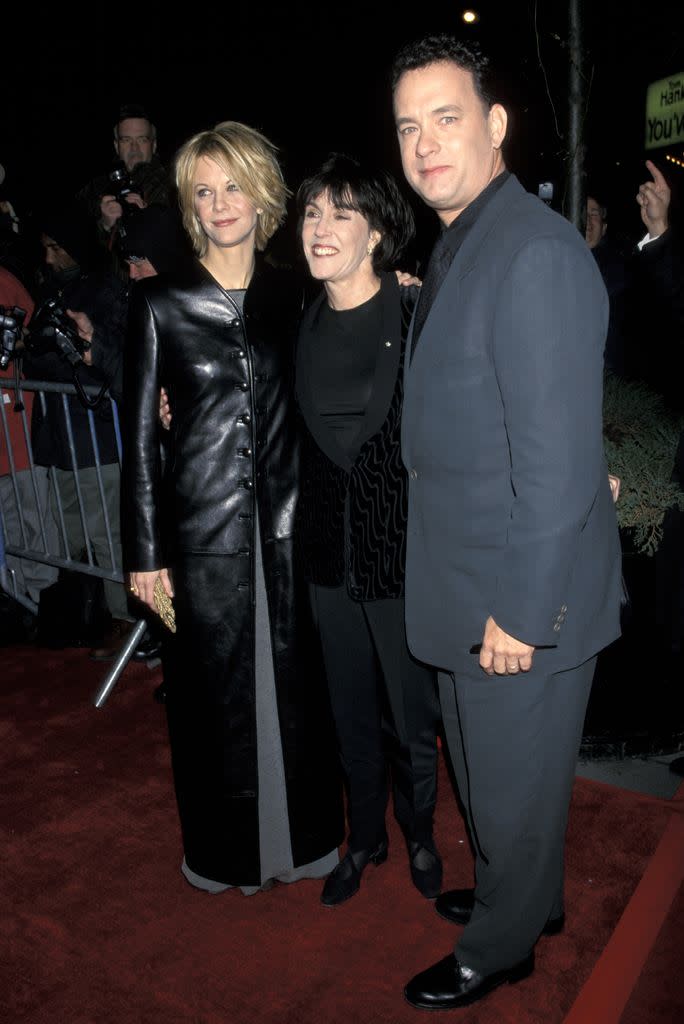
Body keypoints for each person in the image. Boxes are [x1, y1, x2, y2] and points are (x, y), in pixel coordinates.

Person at [391, 35, 623, 1010]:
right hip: (470, 573)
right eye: (408, 126)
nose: (426, 143)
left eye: (448, 117)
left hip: (518, 590)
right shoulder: (467, 238)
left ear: (494, 126)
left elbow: (561, 461)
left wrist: (523, 615)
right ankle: (527, 897)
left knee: (507, 781)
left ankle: (504, 942)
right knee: (500, 775)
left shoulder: (530, 250)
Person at [121, 120, 344, 894]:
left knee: (301, 693)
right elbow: (139, 441)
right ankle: (220, 855)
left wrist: (400, 287)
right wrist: (144, 552)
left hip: (293, 530)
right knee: (210, 704)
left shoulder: (301, 292)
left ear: (262, 194)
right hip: (199, 535)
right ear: (188, 205)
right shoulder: (159, 303)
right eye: (203, 191)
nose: (220, 204)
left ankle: (309, 842)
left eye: (232, 186)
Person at [294, 154, 442, 907]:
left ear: (378, 230)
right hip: (326, 560)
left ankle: (419, 831)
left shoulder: (416, 313)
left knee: (411, 715)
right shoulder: (297, 322)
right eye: (312, 213)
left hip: (404, 557)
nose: (320, 228)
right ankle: (365, 840)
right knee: (348, 710)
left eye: (340, 213)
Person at [24, 205, 130, 658]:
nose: (48, 259)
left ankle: (142, 627)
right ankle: (100, 620)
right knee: (75, 539)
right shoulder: (53, 290)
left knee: (114, 537)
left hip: (98, 436)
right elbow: (37, 359)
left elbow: (101, 359)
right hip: (65, 438)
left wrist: (59, 350)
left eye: (55, 248)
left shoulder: (103, 289)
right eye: (44, 249)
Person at [77, 105, 171, 277]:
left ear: (154, 145)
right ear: (116, 145)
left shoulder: (174, 187)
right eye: (126, 140)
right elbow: (76, 255)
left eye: (142, 139)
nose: (134, 148)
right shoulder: (94, 189)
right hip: (111, 294)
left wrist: (148, 222)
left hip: (154, 292)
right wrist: (104, 225)